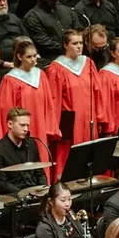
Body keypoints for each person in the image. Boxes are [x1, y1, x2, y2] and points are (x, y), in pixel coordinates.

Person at [44, 28, 97, 176]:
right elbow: (54, 99)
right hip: (70, 119)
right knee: (68, 152)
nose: (79, 46)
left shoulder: (88, 63)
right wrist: (55, 126)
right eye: (75, 43)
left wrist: (100, 116)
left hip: (89, 118)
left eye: (81, 43)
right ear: (65, 45)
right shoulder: (56, 68)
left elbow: (98, 92)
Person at [0, 38, 59, 147]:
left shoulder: (41, 75)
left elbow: (48, 104)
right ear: (19, 57)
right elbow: (6, 109)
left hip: (41, 126)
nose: (33, 60)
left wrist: (50, 128)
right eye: (29, 57)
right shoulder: (10, 79)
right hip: (21, 130)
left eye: (35, 56)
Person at [0, 106, 48, 194]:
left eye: (27, 125)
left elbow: (40, 173)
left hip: (35, 192)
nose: (26, 129)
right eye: (22, 125)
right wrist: (25, 194)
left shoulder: (31, 144)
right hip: (13, 197)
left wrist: (43, 190)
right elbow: (3, 183)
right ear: (10, 124)